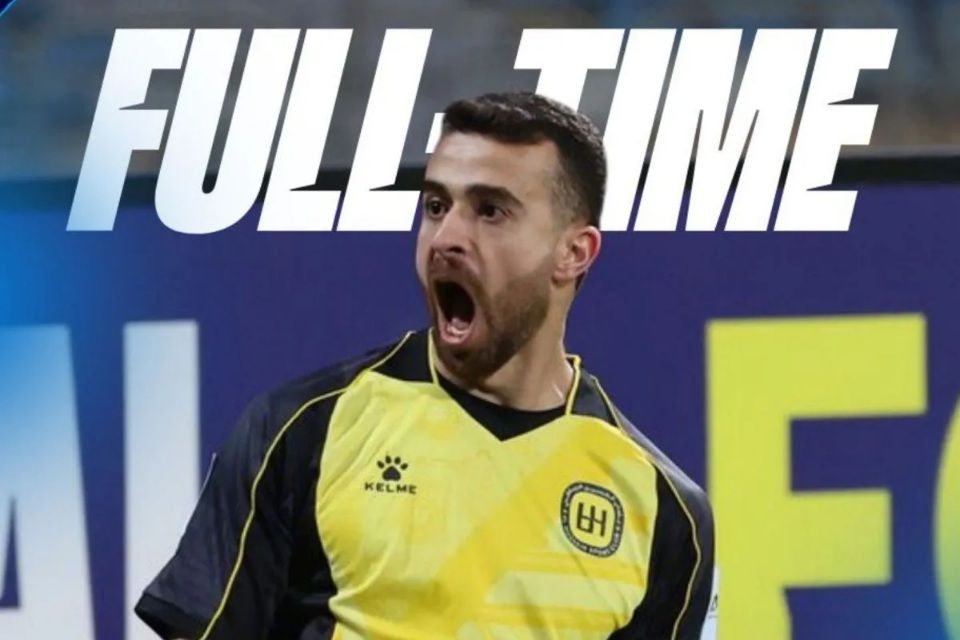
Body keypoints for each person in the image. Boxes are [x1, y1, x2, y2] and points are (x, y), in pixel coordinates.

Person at [134, 91, 716, 640]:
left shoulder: (665, 509)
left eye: (491, 211)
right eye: (436, 206)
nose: (446, 237)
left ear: (573, 253)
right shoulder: (301, 431)